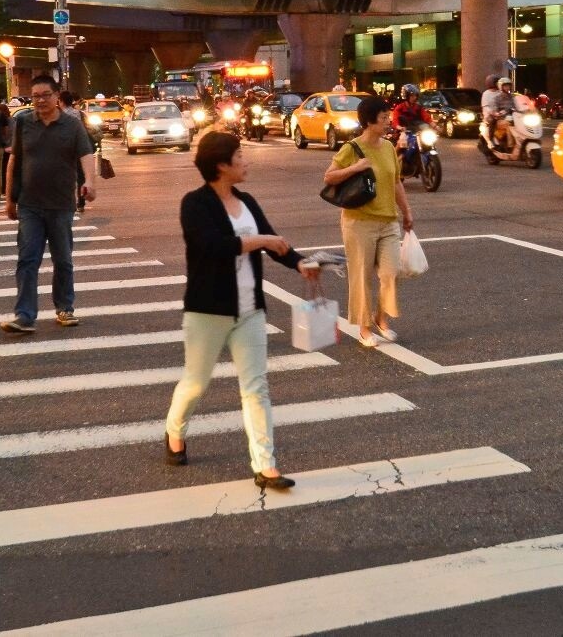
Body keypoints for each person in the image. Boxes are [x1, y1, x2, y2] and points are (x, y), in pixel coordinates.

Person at [165, 132, 321, 489]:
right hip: (208, 311)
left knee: (256, 387)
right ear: (221, 164)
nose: (245, 161)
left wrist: (299, 263)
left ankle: (265, 466)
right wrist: (263, 242)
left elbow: (272, 239)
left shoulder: (246, 200)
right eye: (239, 155)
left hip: (250, 309)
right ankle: (175, 430)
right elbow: (212, 247)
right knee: (196, 383)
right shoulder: (195, 204)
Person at [2, 74, 96, 334]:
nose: (40, 100)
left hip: (61, 204)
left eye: (46, 95)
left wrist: (90, 181)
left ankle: (65, 308)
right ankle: (24, 315)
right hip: (30, 204)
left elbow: (86, 154)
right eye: (35, 96)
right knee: (27, 259)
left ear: (57, 96)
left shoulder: (72, 125)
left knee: (63, 260)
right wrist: (10, 198)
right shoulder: (23, 123)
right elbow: (14, 162)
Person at [323, 96, 413, 348]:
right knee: (362, 276)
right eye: (384, 118)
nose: (388, 122)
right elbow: (329, 177)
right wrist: (355, 168)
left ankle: (380, 318)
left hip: (388, 221)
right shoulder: (351, 148)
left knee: (391, 273)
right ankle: (364, 328)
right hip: (359, 222)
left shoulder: (388, 148)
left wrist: (406, 212)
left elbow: (396, 182)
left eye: (388, 117)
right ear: (370, 121)